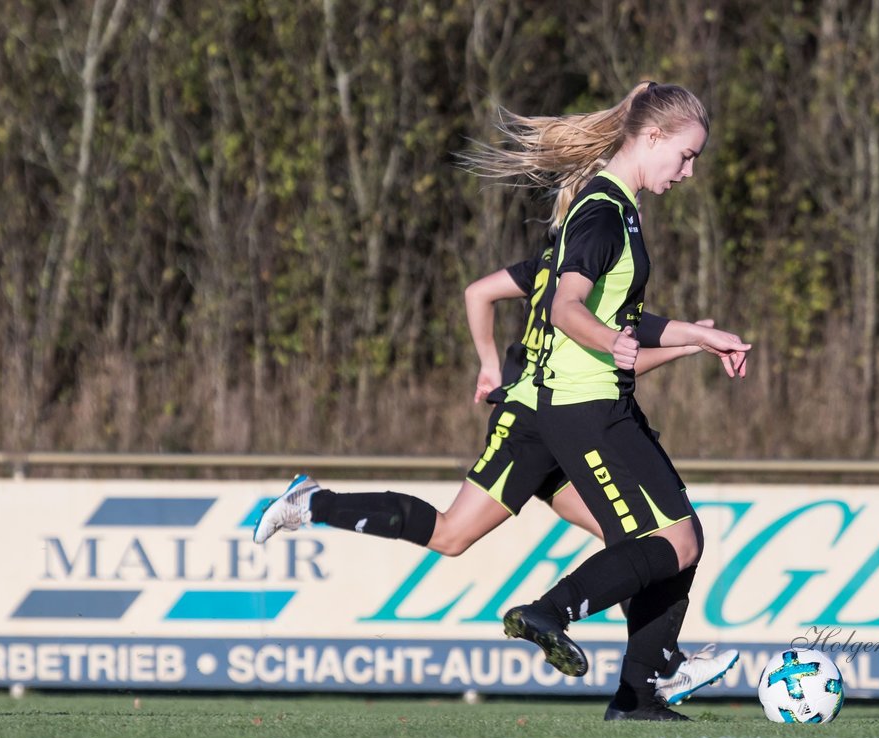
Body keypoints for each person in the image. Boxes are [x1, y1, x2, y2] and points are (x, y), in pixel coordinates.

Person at [253, 218, 739, 706]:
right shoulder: (589, 275)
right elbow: (611, 359)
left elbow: (478, 292)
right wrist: (689, 343)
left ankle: (661, 665)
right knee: (453, 533)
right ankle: (315, 503)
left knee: (635, 543)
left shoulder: (548, 267)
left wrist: (490, 363)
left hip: (551, 417)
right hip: (536, 420)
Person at [468, 81, 751, 721]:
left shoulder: (618, 207)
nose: (689, 171)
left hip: (600, 401)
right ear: (651, 138)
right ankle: (550, 612)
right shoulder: (601, 209)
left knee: (679, 539)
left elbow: (626, 313)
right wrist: (611, 343)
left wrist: (696, 335)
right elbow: (568, 309)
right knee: (673, 541)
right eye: (685, 156)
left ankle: (639, 693)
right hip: (584, 405)